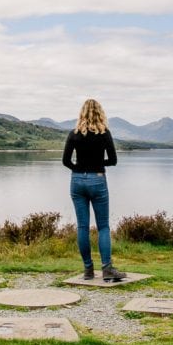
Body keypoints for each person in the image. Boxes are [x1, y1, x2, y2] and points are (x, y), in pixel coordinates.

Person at [62, 99, 126, 281]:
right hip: (97, 180)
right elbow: (113, 160)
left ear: (81, 113)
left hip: (77, 181)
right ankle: (107, 269)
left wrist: (79, 168)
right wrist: (97, 164)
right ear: (100, 113)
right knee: (103, 226)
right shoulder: (104, 133)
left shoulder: (73, 134)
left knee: (82, 226)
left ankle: (88, 270)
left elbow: (66, 161)